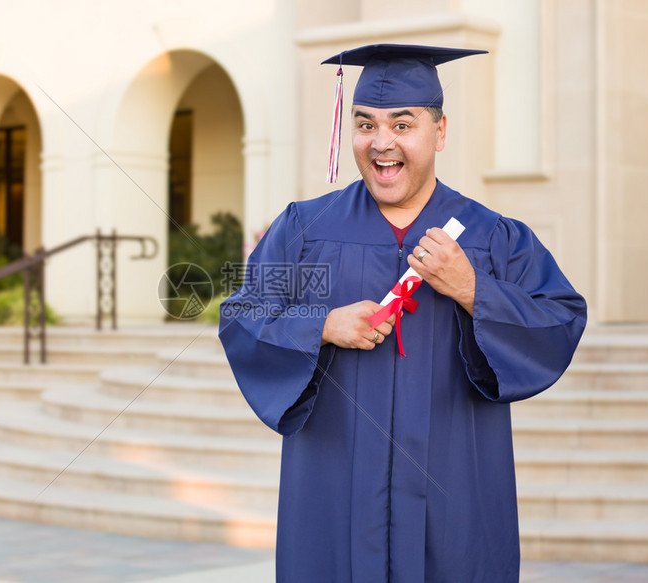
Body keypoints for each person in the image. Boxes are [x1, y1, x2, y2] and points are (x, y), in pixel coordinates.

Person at [218, 43, 587, 582]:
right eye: (365, 124)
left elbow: (560, 317)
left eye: (402, 124)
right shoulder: (305, 231)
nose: (381, 142)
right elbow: (243, 314)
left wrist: (472, 289)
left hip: (451, 493)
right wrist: (321, 326)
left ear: (439, 133)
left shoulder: (491, 238)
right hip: (336, 492)